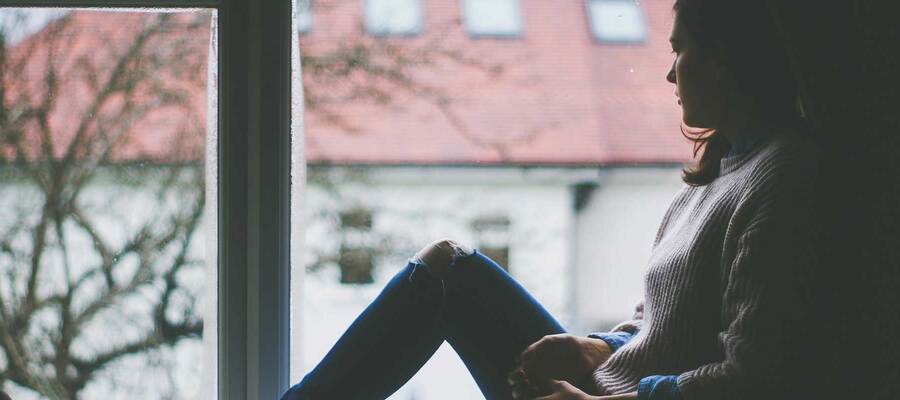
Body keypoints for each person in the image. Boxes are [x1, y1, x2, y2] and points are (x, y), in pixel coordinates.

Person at [281, 0, 816, 398]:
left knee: (449, 279)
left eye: (681, 50)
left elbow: (757, 376)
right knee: (446, 267)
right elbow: (658, 323)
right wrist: (595, 346)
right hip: (602, 382)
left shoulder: (780, 179)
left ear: (727, 59)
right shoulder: (715, 176)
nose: (669, 72)